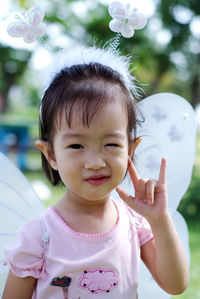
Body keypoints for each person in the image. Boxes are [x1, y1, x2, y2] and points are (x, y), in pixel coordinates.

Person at [2, 46, 189, 299]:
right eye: (76, 145)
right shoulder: (39, 237)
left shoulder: (134, 225)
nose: (95, 162)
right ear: (51, 154)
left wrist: (159, 220)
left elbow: (176, 284)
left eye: (111, 144)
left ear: (131, 149)